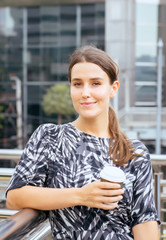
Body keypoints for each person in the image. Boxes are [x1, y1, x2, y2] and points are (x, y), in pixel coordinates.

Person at [6, 45, 159, 240]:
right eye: (78, 84)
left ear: (113, 88)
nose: (85, 92)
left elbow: (144, 221)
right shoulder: (50, 137)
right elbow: (14, 197)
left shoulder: (134, 151)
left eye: (95, 83)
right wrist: (81, 195)